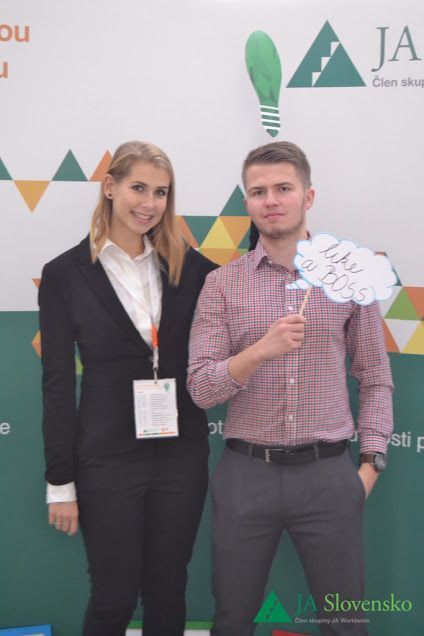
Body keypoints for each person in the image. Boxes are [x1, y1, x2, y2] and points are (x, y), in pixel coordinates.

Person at [187, 141, 393, 636]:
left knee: (345, 623)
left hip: (328, 475)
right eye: (259, 192)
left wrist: (369, 466)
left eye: (283, 188)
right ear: (247, 202)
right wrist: (260, 351)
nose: (271, 200)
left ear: (308, 196)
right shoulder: (222, 284)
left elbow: (374, 376)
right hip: (246, 475)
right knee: (233, 619)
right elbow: (200, 389)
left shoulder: (347, 279)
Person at [39, 140, 217, 636]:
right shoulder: (64, 274)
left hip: (181, 455)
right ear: (110, 187)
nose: (149, 203)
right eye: (139, 187)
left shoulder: (193, 269)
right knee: (112, 598)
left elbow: (247, 288)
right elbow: (57, 385)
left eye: (161, 192)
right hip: (107, 458)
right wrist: (60, 483)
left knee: (168, 592)